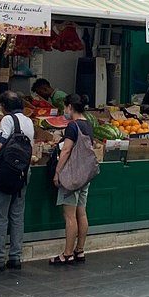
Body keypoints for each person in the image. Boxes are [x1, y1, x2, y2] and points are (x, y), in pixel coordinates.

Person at [0, 91, 35, 272]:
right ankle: (15, 257)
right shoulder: (28, 120)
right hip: (23, 172)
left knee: (0, 215)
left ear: (3, 107)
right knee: (17, 215)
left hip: (6, 173)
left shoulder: (8, 120)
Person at [51, 94, 95, 266]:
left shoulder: (72, 126)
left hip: (71, 178)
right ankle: (80, 250)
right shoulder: (88, 125)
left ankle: (67, 254)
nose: (64, 111)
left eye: (65, 107)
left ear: (70, 107)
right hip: (85, 176)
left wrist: (57, 172)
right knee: (82, 213)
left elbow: (66, 150)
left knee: (70, 217)